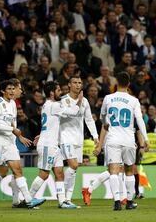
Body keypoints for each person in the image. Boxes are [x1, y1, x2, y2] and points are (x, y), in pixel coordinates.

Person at [0, 80, 43, 210]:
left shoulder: (13, 104)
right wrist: (13, 130)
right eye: (9, 89)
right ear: (3, 91)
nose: (12, 91)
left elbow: (12, 124)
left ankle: (28, 199)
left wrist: (19, 136)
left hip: (10, 143)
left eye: (13, 89)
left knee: (17, 170)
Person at [94, 72, 148, 210]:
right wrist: (146, 138)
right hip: (129, 139)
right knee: (129, 170)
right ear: (129, 84)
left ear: (116, 83)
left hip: (112, 139)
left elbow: (103, 119)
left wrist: (107, 122)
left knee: (113, 171)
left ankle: (117, 202)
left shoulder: (108, 98)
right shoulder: (133, 100)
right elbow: (139, 120)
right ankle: (129, 202)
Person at [29, 81, 83, 209]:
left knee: (59, 173)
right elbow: (74, 111)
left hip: (53, 144)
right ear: (52, 93)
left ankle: (62, 201)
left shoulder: (48, 105)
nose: (61, 92)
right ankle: (27, 198)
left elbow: (51, 125)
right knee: (44, 173)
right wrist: (79, 100)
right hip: (48, 145)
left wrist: (41, 135)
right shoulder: (54, 105)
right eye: (58, 90)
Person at [59, 76, 99, 205]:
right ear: (69, 85)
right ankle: (62, 196)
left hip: (78, 139)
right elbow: (65, 115)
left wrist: (95, 136)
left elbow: (88, 119)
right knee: (73, 165)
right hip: (66, 137)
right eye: (75, 82)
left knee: (75, 169)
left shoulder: (85, 101)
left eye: (80, 83)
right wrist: (78, 102)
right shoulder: (63, 100)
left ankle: (67, 199)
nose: (77, 85)